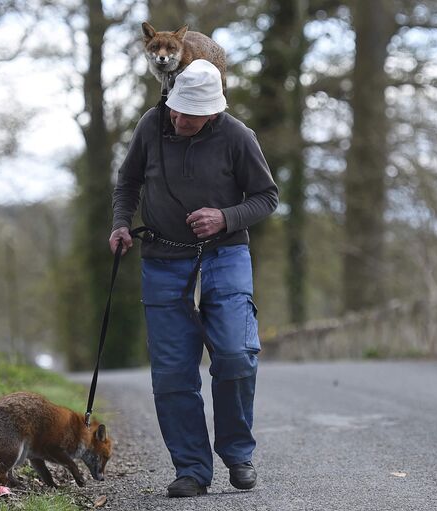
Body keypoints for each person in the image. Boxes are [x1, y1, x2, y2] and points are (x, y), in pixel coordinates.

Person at [109, 59, 278, 498]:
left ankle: (238, 453)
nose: (180, 119)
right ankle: (191, 468)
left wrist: (225, 217)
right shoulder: (152, 124)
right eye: (177, 110)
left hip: (225, 257)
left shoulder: (238, 137)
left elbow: (267, 197)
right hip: (163, 261)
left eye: (191, 115)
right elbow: (127, 181)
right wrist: (121, 223)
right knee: (171, 373)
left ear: (214, 114)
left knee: (237, 355)